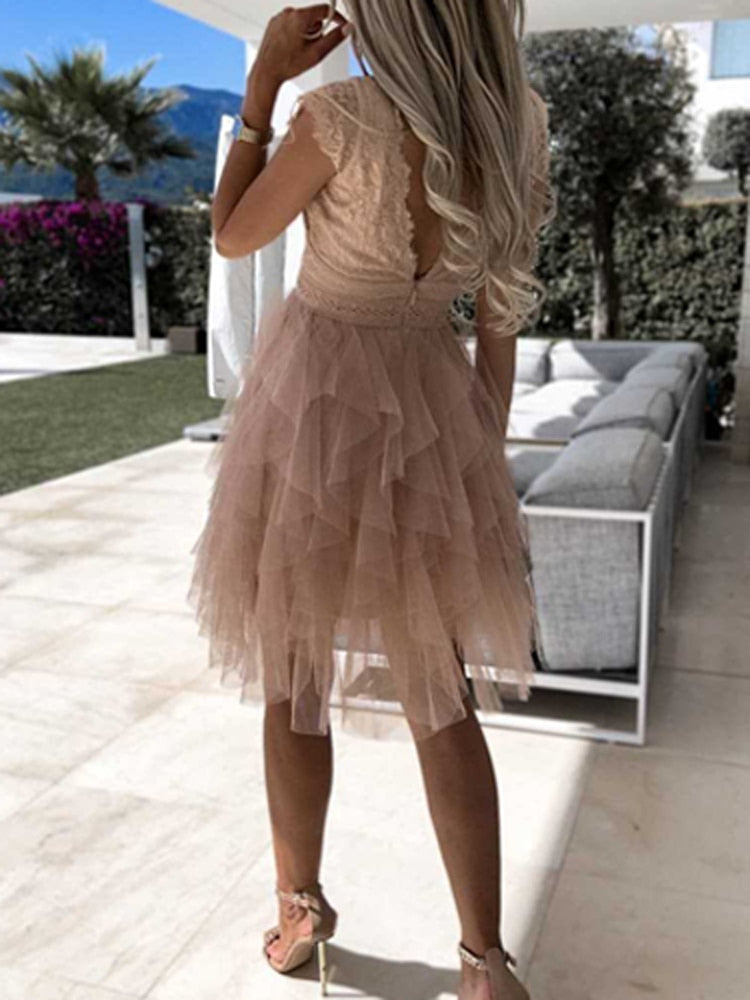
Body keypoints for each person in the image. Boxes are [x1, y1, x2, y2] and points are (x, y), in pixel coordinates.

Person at [188, 2, 556, 998]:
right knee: (442, 686)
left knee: (294, 671)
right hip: (434, 404)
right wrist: (480, 447)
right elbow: (501, 314)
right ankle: (485, 961)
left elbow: (233, 234)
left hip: (311, 410)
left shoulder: (341, 117)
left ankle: (299, 910)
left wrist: (262, 87)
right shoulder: (515, 123)